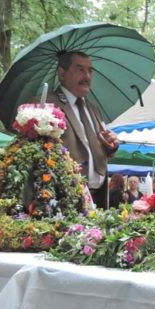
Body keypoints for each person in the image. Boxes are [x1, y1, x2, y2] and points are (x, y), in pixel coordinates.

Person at [45, 51, 120, 209]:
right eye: (80, 70)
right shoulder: (46, 105)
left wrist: (111, 145)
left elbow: (99, 150)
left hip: (99, 198)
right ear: (62, 73)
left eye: (90, 71)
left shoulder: (93, 109)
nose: (87, 76)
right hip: (65, 200)